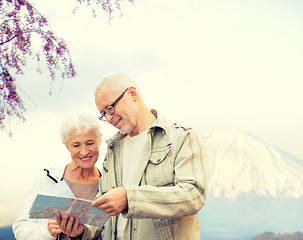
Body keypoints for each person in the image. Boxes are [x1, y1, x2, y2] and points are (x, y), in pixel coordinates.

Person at [59, 73, 207, 240]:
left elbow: (194, 195)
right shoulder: (113, 149)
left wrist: (130, 198)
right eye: (103, 114)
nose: (108, 118)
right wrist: (81, 231)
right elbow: (102, 212)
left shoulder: (181, 138)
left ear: (132, 94)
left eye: (110, 109)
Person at [13, 111, 103, 240]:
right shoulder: (47, 179)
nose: (84, 152)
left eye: (90, 143)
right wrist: (46, 231)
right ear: (67, 147)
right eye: (76, 145)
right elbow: (20, 228)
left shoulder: (108, 184)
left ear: (99, 140)